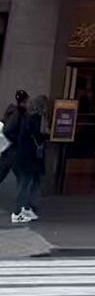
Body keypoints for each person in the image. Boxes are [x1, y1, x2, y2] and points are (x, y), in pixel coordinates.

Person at [11, 95, 50, 223]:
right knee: (25, 184)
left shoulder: (25, 117)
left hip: (19, 155)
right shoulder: (35, 119)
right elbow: (36, 137)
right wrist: (46, 136)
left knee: (25, 183)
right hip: (27, 156)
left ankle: (25, 208)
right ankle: (17, 212)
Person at [0, 89, 28, 187]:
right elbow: (8, 130)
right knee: (22, 176)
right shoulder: (17, 113)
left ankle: (23, 198)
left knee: (5, 171)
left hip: (11, 149)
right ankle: (23, 199)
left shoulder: (16, 112)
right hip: (13, 150)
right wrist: (14, 140)